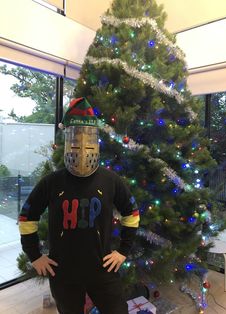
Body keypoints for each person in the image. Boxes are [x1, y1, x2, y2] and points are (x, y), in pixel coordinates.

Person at [19, 97, 140, 314]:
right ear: (67, 143)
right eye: (75, 143)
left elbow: (131, 213)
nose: (82, 149)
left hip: (102, 269)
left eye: (89, 143)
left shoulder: (110, 180)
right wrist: (34, 255)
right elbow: (28, 217)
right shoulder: (52, 182)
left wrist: (123, 251)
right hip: (63, 272)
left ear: (97, 143)